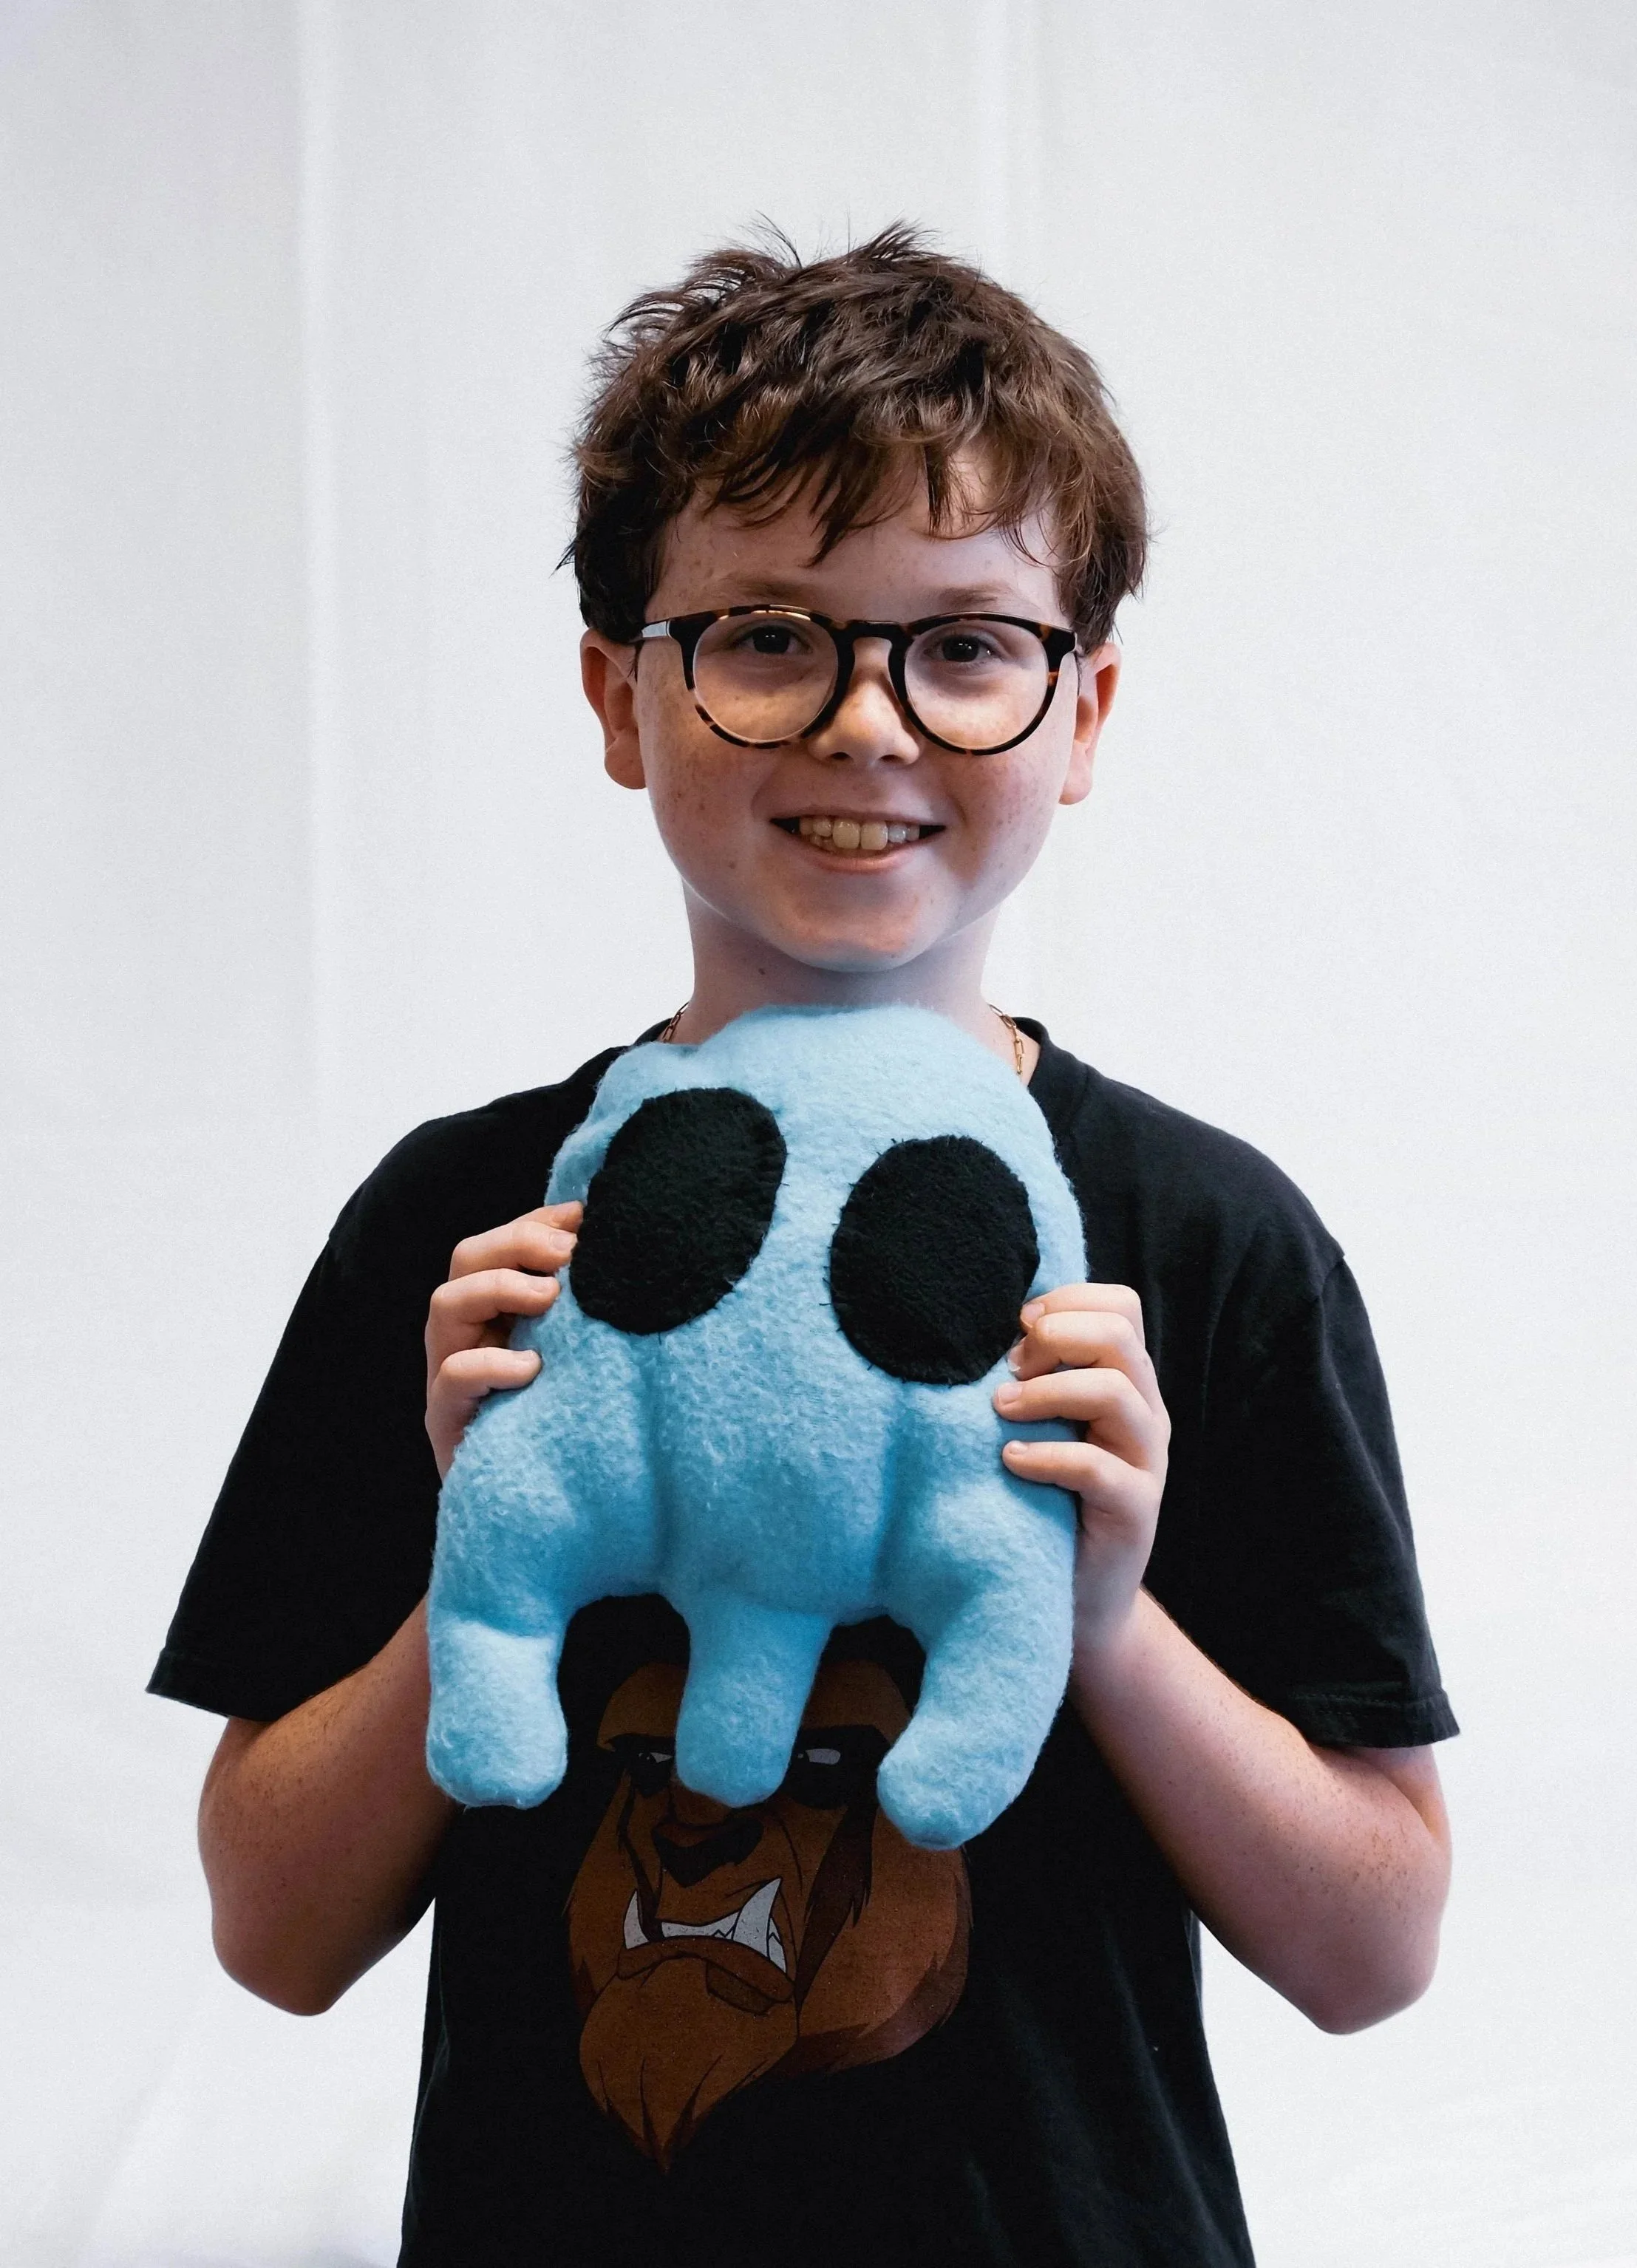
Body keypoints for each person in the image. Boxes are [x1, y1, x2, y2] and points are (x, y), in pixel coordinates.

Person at [149, 227, 1456, 2267]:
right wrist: (470, 1530)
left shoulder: (1204, 1241)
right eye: (765, 633)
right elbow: (269, 1929)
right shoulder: (462, 1223)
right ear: (618, 691)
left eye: (962, 643)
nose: (866, 721)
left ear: (1082, 704)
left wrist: (1105, 1614)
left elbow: (1375, 1944)